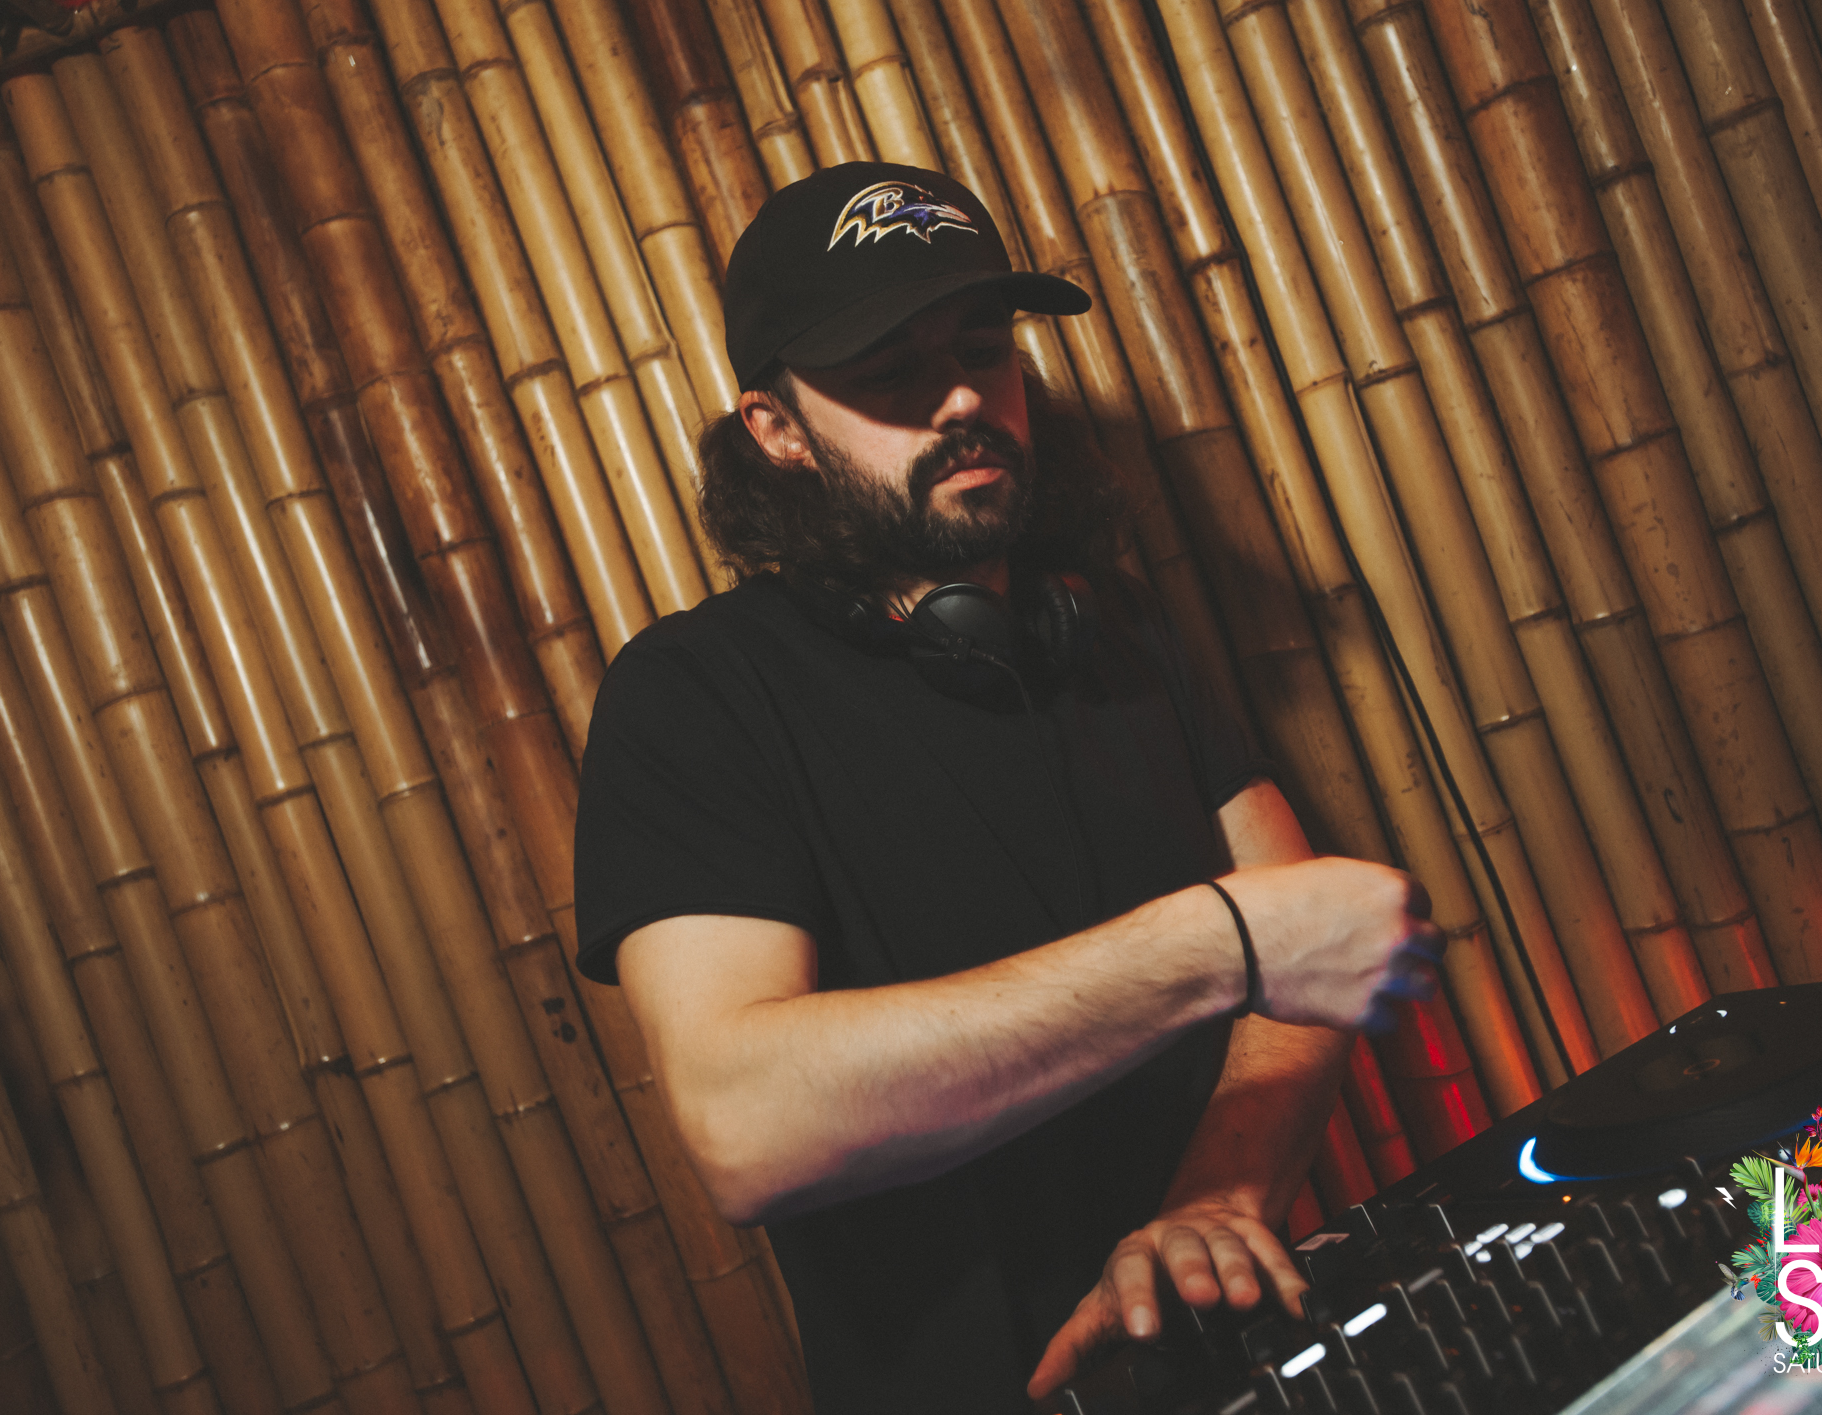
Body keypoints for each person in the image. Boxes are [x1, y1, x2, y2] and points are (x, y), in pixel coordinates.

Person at [573, 162, 1443, 1412]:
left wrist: (1214, 1198)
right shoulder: (693, 695)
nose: (962, 398)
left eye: (982, 349)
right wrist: (1210, 944)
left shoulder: (1114, 632)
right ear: (775, 427)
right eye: (890, 372)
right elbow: (742, 1124)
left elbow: (1304, 953)